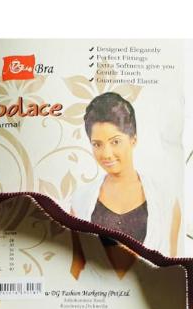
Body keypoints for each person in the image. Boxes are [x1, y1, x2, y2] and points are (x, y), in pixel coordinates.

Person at [69, 92, 181, 279]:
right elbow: (76, 265)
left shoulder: (165, 198)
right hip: (94, 295)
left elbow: (172, 266)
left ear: (133, 139)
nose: (106, 153)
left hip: (149, 293)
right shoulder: (81, 199)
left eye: (115, 142)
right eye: (97, 144)